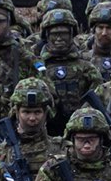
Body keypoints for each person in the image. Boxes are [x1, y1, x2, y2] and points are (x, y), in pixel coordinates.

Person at [39, 8, 100, 136]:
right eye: (54, 34)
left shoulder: (86, 67)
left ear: (72, 34)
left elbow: (99, 97)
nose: (59, 38)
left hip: (81, 132)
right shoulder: (38, 66)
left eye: (64, 33)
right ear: (46, 36)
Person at [83, 1, 111, 83]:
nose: (104, 33)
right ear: (93, 30)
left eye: (109, 28)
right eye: (100, 27)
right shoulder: (83, 59)